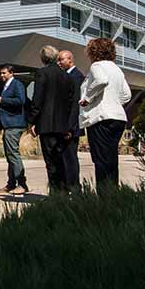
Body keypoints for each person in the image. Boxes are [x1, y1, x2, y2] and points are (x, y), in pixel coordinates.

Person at [78, 38, 132, 192]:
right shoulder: (117, 69)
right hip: (118, 118)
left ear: (93, 52)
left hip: (101, 118)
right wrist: (114, 102)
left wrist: (87, 98)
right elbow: (127, 95)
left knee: (101, 160)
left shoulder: (97, 66)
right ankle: (113, 193)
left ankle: (104, 197)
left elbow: (101, 81)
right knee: (111, 160)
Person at [26, 45, 75, 193]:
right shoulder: (67, 76)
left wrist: (31, 121)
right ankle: (64, 190)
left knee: (51, 162)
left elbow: (37, 99)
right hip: (62, 125)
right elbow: (70, 102)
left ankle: (55, 193)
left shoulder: (42, 73)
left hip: (46, 125)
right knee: (60, 160)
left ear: (43, 58)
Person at [0, 64, 28, 194]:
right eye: (1, 73)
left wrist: (3, 100)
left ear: (11, 73)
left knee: (13, 155)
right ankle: (11, 183)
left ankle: (22, 184)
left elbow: (21, 100)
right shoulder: (6, 85)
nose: (2, 75)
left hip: (15, 124)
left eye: (4, 73)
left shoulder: (17, 84)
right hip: (8, 124)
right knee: (10, 156)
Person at [57, 50, 84, 190]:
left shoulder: (75, 77)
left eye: (61, 59)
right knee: (65, 157)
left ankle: (74, 187)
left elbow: (74, 104)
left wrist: (69, 127)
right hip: (65, 124)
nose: (59, 62)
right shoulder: (67, 76)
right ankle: (67, 187)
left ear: (70, 60)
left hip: (70, 126)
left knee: (70, 158)